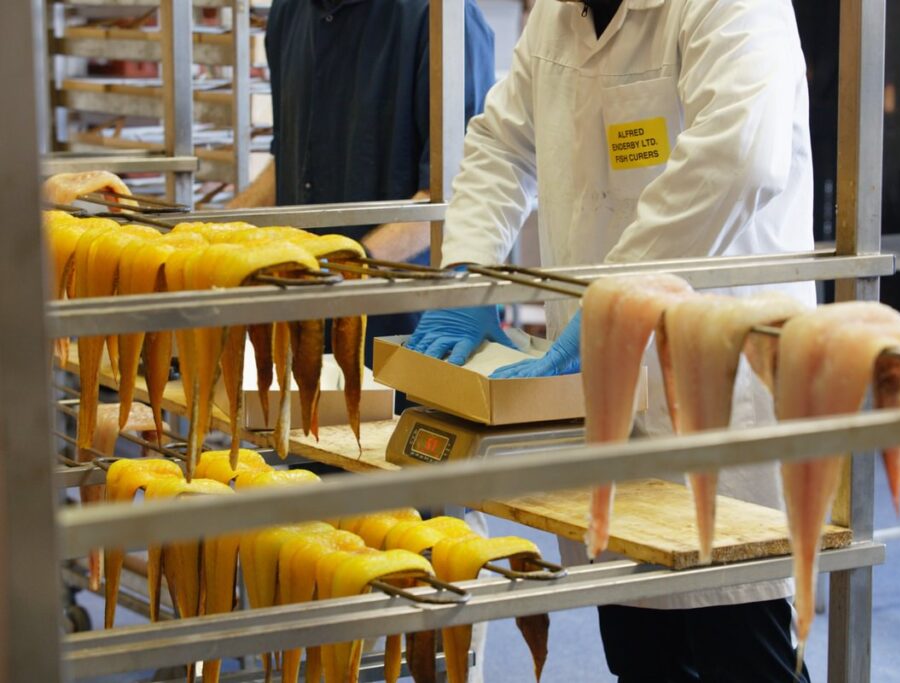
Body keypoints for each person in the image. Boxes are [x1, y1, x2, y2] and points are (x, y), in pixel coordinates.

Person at [406, 0, 816, 680]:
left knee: (742, 647)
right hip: (602, 395)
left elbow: (742, 156)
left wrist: (611, 303)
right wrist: (467, 278)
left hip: (717, 392)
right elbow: (504, 144)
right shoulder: (561, 16)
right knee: (637, 645)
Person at [231, 0, 496, 370]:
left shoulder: (441, 17)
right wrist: (216, 231)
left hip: (405, 332)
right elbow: (289, 162)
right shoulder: (289, 12)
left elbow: (460, 194)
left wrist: (343, 270)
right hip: (302, 323)